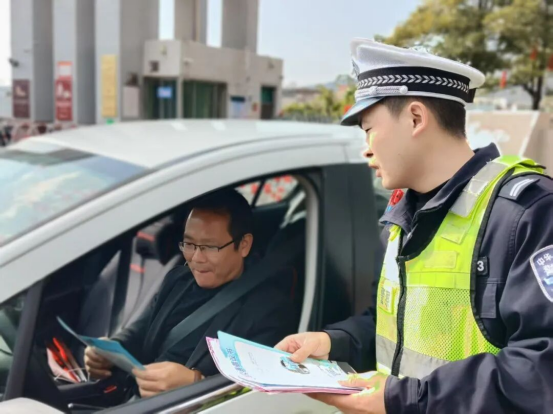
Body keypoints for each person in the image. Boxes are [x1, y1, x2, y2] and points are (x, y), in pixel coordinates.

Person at [276, 39, 553, 414]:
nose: (366, 148)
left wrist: (403, 399)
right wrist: (333, 342)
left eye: (368, 128)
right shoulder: (400, 219)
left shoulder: (527, 213)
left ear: (416, 118)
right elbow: (398, 330)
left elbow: (540, 370)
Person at [85, 190, 298, 399]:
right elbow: (141, 331)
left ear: (243, 245)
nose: (196, 258)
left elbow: (254, 391)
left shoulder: (269, 310)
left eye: (210, 247)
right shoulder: (178, 280)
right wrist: (110, 351)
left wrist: (195, 381)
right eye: (189, 244)